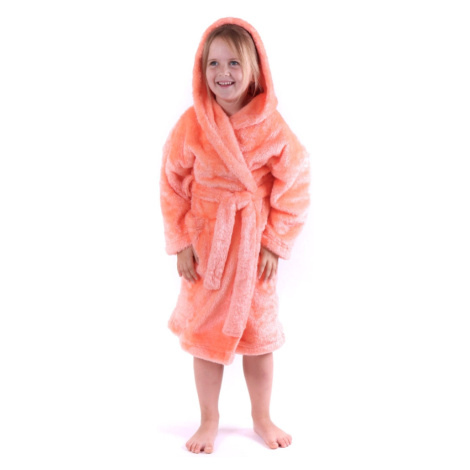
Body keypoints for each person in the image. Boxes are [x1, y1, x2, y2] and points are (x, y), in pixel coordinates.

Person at [160, 17, 310, 453]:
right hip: (207, 248)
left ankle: (262, 417)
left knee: (259, 339)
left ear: (254, 69)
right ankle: (209, 419)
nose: (222, 73)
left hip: (251, 250)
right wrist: (180, 240)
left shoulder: (271, 125)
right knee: (205, 340)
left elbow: (295, 183)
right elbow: (171, 181)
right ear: (201, 68)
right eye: (213, 63)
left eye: (233, 63)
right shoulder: (192, 123)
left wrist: (274, 242)